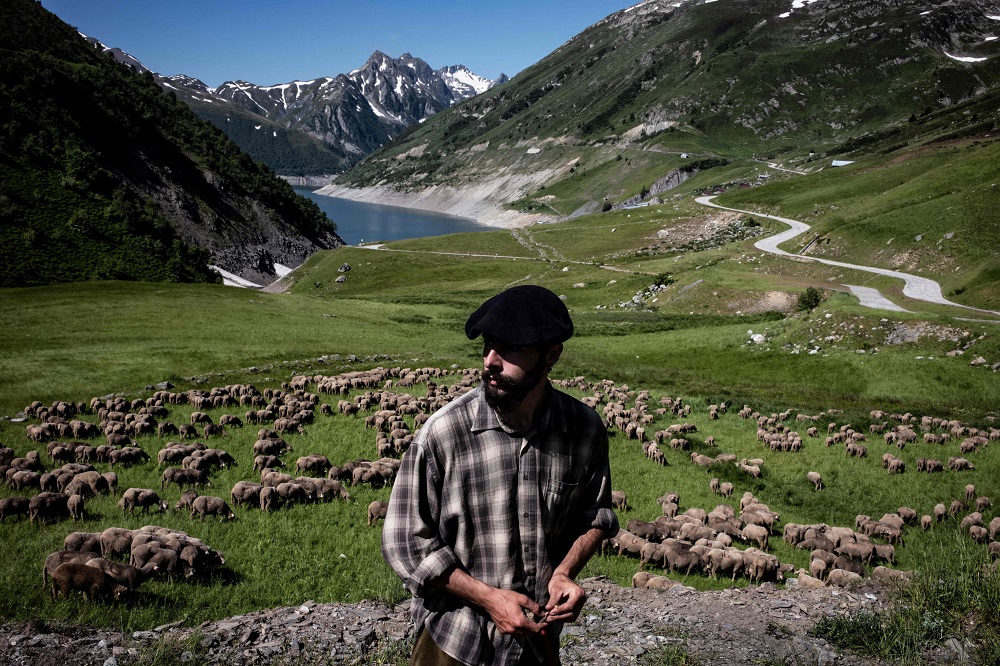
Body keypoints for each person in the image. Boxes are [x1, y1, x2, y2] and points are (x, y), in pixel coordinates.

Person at [382, 284, 619, 666]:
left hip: (536, 642)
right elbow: (405, 544)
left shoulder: (584, 430)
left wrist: (564, 572)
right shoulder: (443, 434)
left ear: (551, 355)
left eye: (510, 348)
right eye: (488, 345)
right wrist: (490, 599)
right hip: (455, 640)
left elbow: (595, 516)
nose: (491, 361)